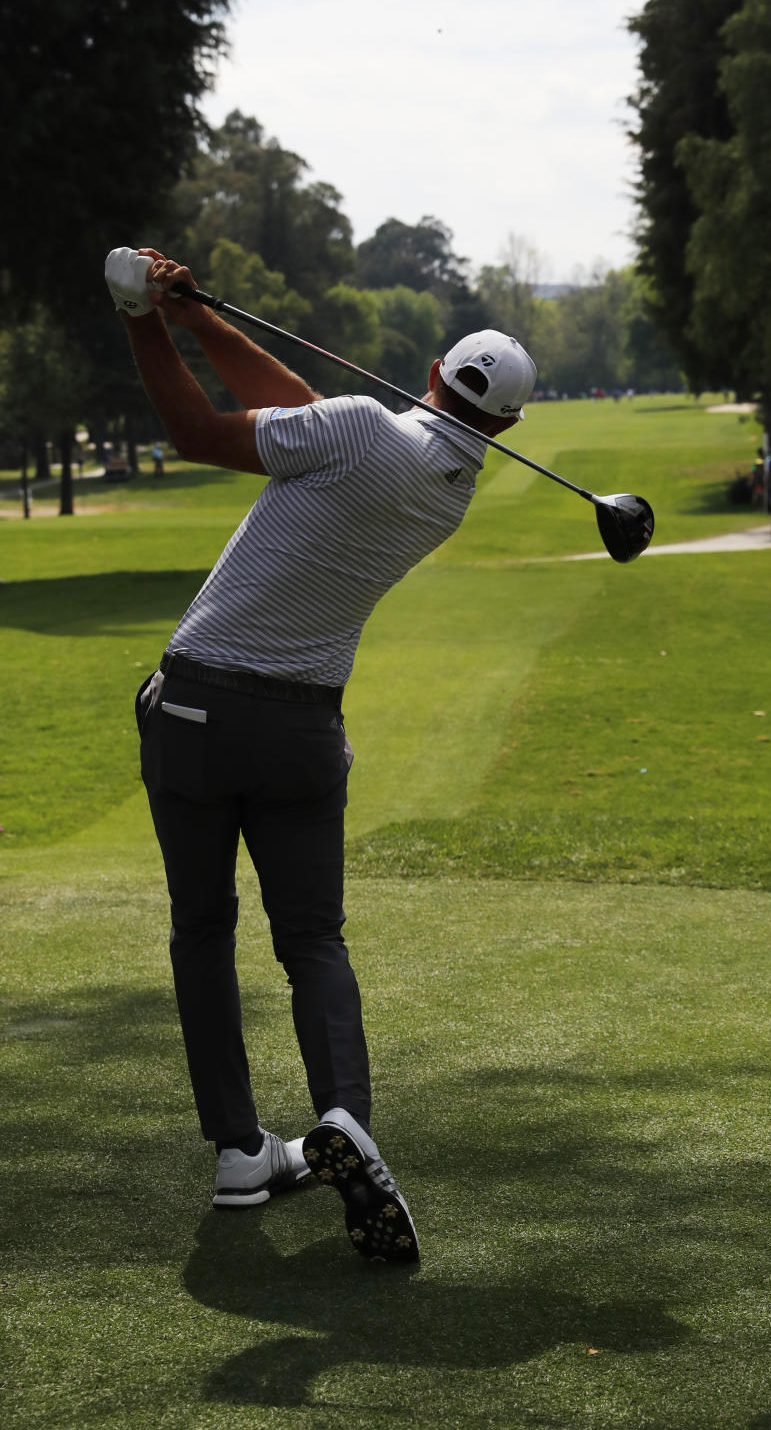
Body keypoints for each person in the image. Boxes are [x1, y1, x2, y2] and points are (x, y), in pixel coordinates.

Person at [104, 246, 537, 1263]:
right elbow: (309, 409)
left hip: (201, 708)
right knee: (314, 942)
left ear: (431, 372)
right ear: (508, 426)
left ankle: (237, 1152)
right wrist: (201, 316)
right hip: (304, 733)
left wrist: (141, 319)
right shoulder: (444, 484)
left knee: (203, 930)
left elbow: (200, 433)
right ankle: (342, 1119)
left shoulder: (355, 434)